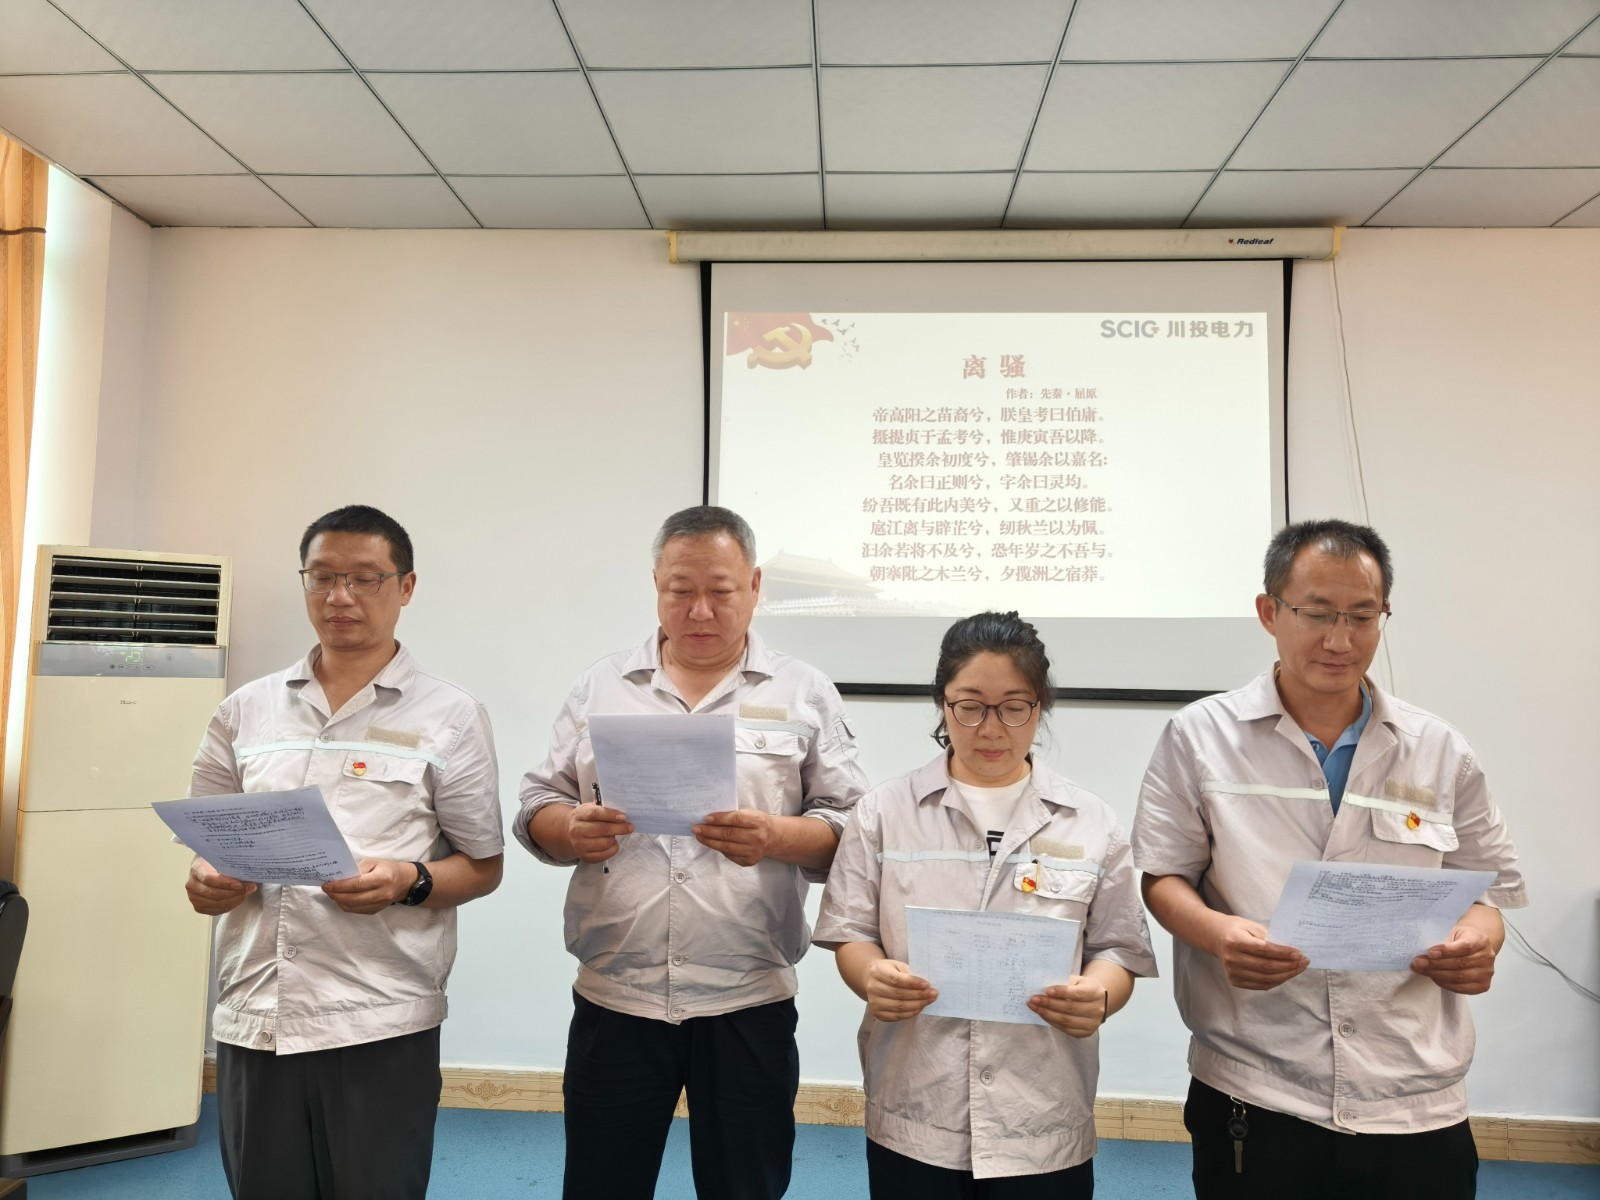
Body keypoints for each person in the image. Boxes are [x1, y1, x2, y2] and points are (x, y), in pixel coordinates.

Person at [1132, 519, 1525, 1200]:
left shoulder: (1438, 750)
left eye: (1362, 616)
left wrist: (1476, 943)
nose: (1340, 640)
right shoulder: (1200, 737)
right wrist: (1219, 934)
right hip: (1257, 1081)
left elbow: (1484, 897)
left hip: (1412, 1092)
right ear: (1270, 612)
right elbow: (1165, 877)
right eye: (1317, 614)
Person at [517, 504, 867, 1200]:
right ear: (656, 584)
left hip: (748, 995)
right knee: (601, 1184)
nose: (700, 610)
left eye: (721, 590)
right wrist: (570, 828)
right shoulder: (601, 686)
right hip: (619, 992)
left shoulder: (804, 692)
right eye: (680, 590)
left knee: (745, 1186)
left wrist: (775, 836)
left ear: (755, 586)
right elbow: (537, 802)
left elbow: (852, 829)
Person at [183, 505, 504, 1200]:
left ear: (406, 586)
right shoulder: (244, 711)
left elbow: (483, 866)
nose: (340, 597)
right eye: (323, 577)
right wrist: (207, 879)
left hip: (379, 1013)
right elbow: (208, 843)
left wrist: (408, 879)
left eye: (365, 578)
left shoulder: (450, 716)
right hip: (258, 1010)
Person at [815, 610, 1156, 1197]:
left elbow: (1118, 948)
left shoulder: (1091, 821)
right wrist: (872, 977)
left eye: (1014, 707)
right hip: (916, 1105)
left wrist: (1099, 996)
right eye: (969, 706)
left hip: (1042, 1113)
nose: (991, 728)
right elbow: (851, 932)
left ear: (1041, 707)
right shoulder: (883, 813)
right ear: (942, 704)